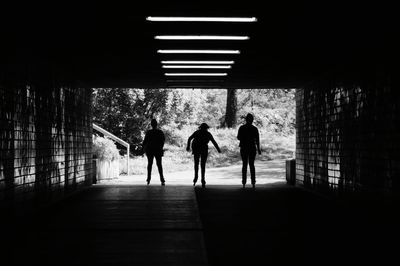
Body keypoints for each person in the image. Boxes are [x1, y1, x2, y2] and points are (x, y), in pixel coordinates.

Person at [187, 123, 221, 188]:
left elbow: (189, 138)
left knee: (196, 164)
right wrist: (218, 149)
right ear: (206, 128)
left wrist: (188, 146)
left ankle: (196, 177)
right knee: (203, 165)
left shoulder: (197, 132)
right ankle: (202, 179)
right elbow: (213, 141)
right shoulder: (208, 134)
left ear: (200, 127)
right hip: (203, 149)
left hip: (196, 148)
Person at [237, 113, 261, 188]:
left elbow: (238, 137)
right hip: (252, 148)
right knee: (251, 165)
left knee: (244, 165)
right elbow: (257, 140)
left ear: (246, 120)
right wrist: (259, 149)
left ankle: (244, 182)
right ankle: (253, 182)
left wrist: (244, 138)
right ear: (252, 120)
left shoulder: (242, 128)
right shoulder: (254, 129)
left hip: (244, 147)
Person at [142, 119, 165, 186]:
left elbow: (145, 141)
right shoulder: (160, 132)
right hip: (158, 149)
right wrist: (161, 147)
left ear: (151, 125)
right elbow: (163, 140)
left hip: (150, 150)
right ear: (156, 124)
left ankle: (148, 179)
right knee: (159, 164)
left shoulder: (149, 132)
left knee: (150, 164)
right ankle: (162, 179)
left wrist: (143, 149)